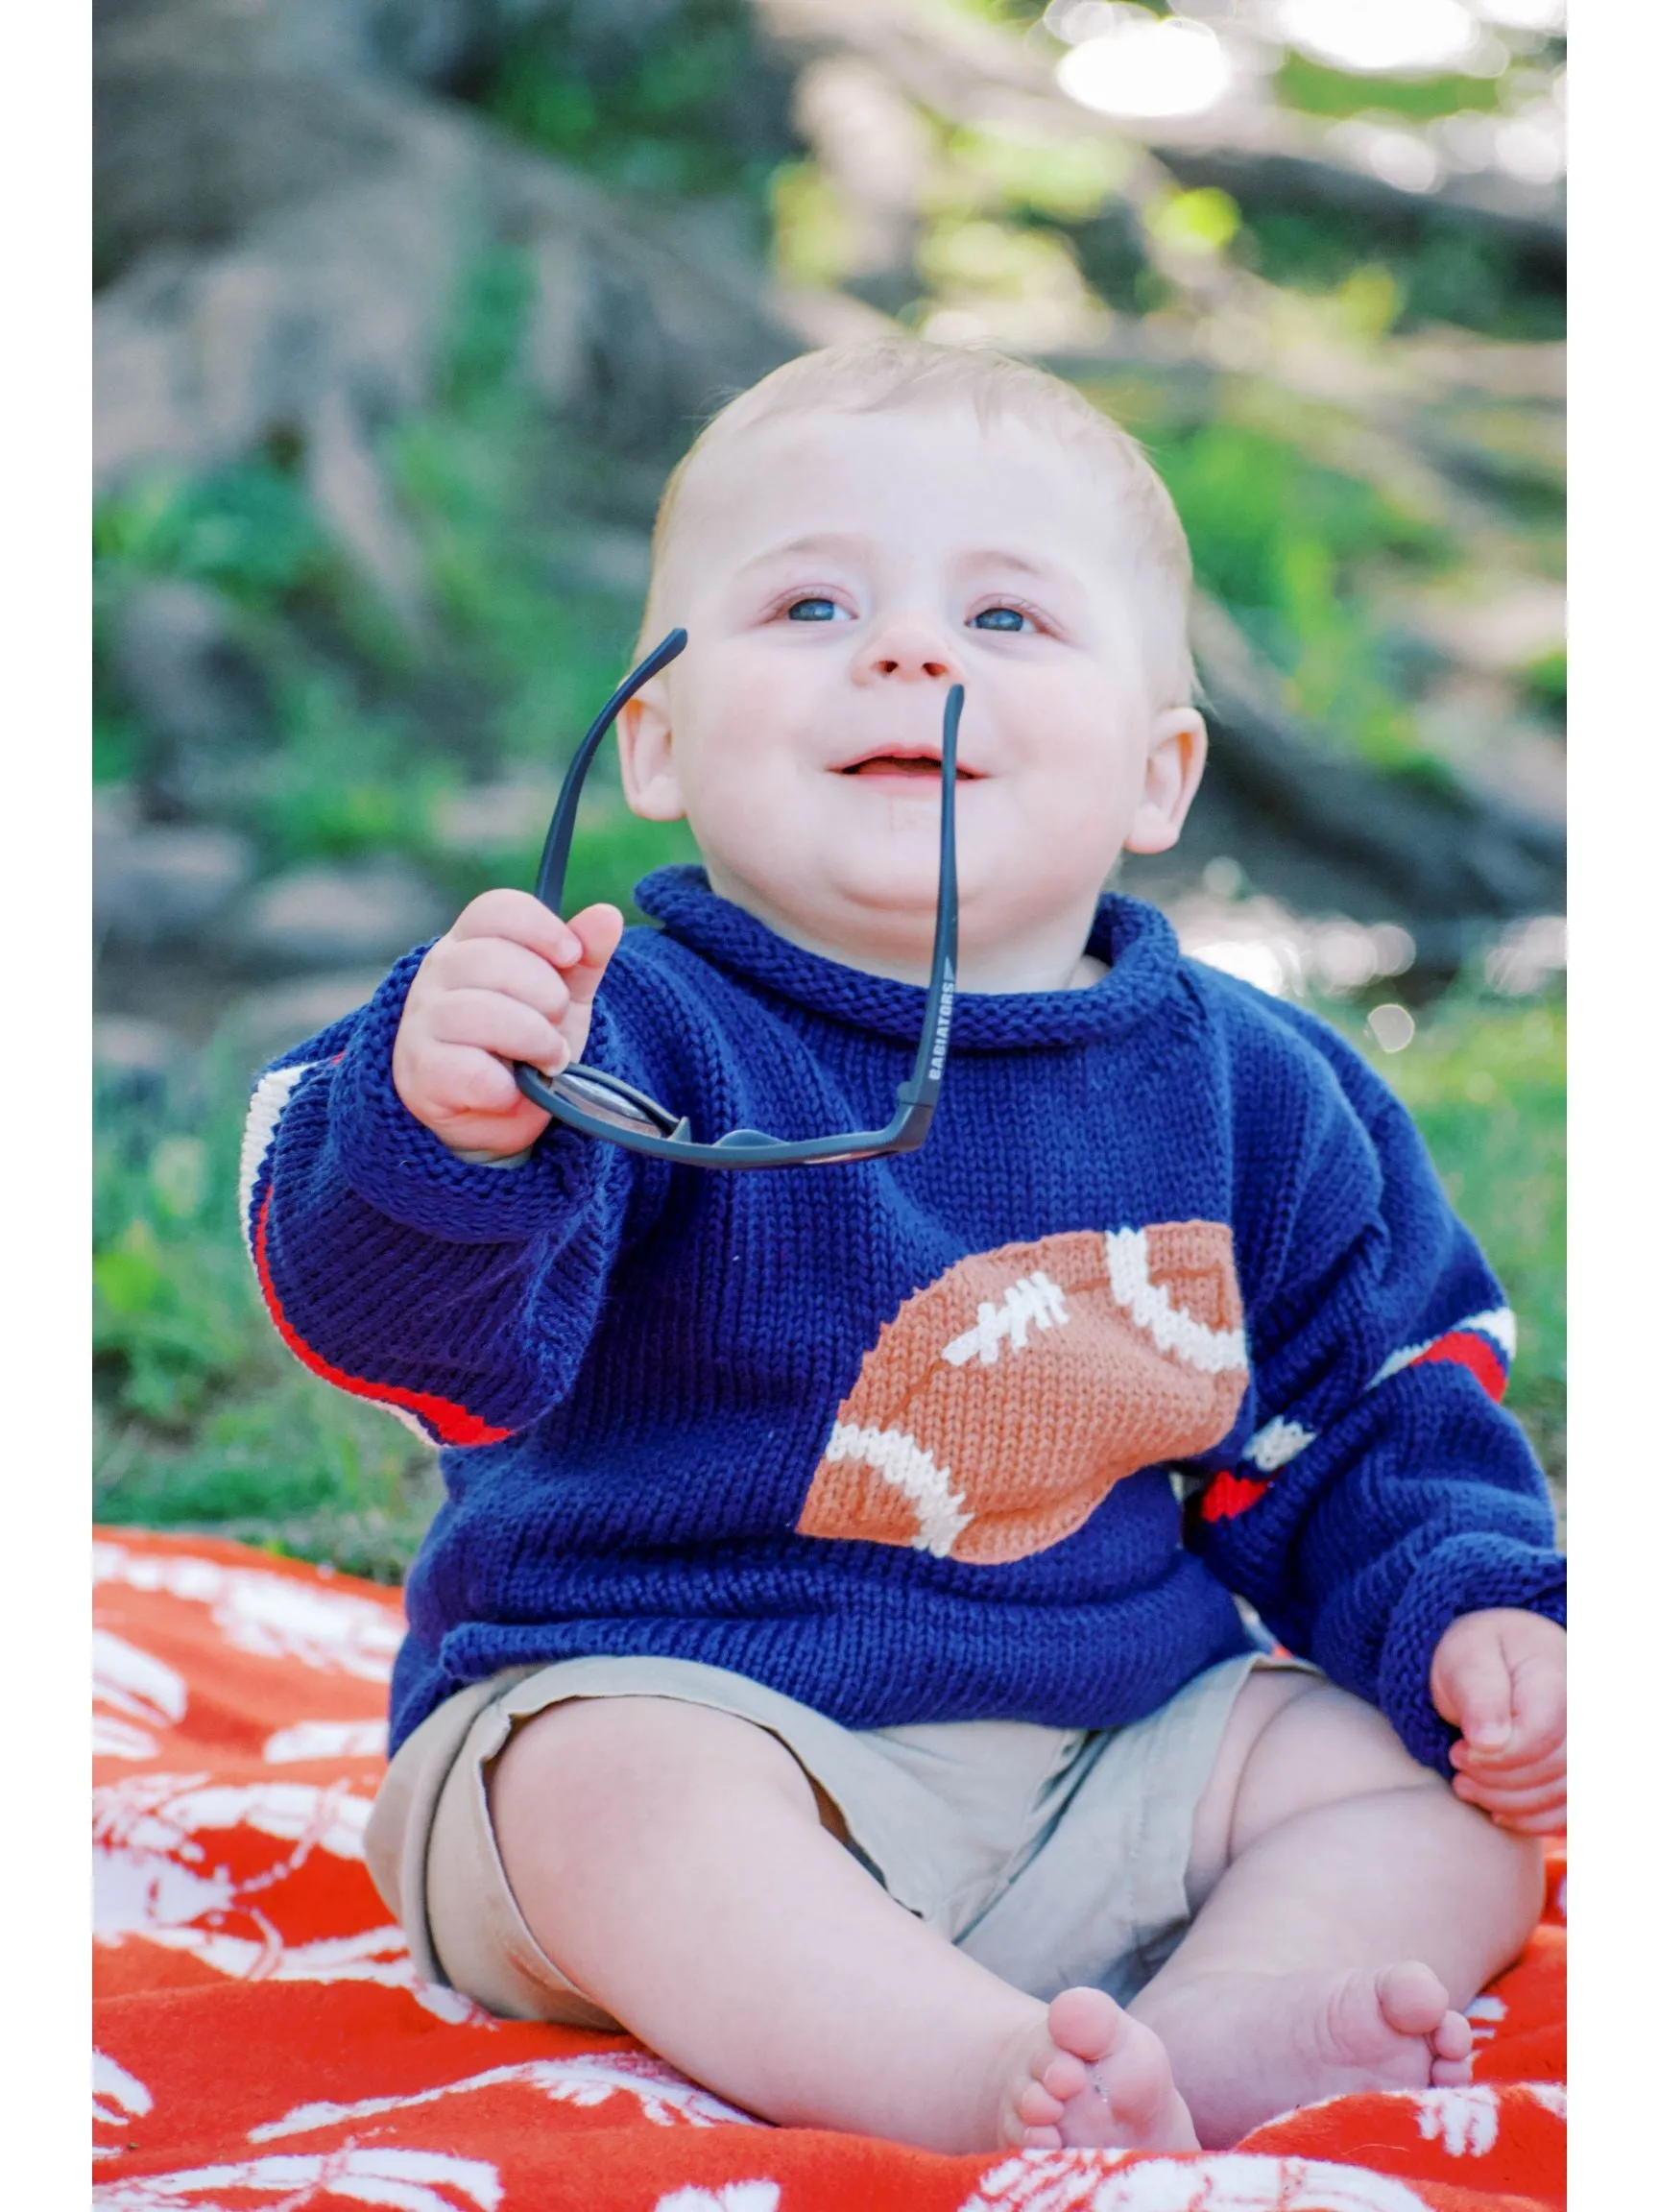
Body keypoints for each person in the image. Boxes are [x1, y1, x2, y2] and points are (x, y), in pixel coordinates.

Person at [241, 339, 1565, 2156]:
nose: (911, 655)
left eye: (1007, 620)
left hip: (1114, 1745)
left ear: (1158, 776)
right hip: (689, 1706)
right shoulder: (611, 1030)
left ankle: (1219, 2029)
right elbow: (418, 1344)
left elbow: (1369, 1419)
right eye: (811, 602)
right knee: (616, 1796)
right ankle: (967, 2082)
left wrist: (1473, 1616)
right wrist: (438, 1132)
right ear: (654, 736)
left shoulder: (1258, 1094)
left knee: (1430, 1806)